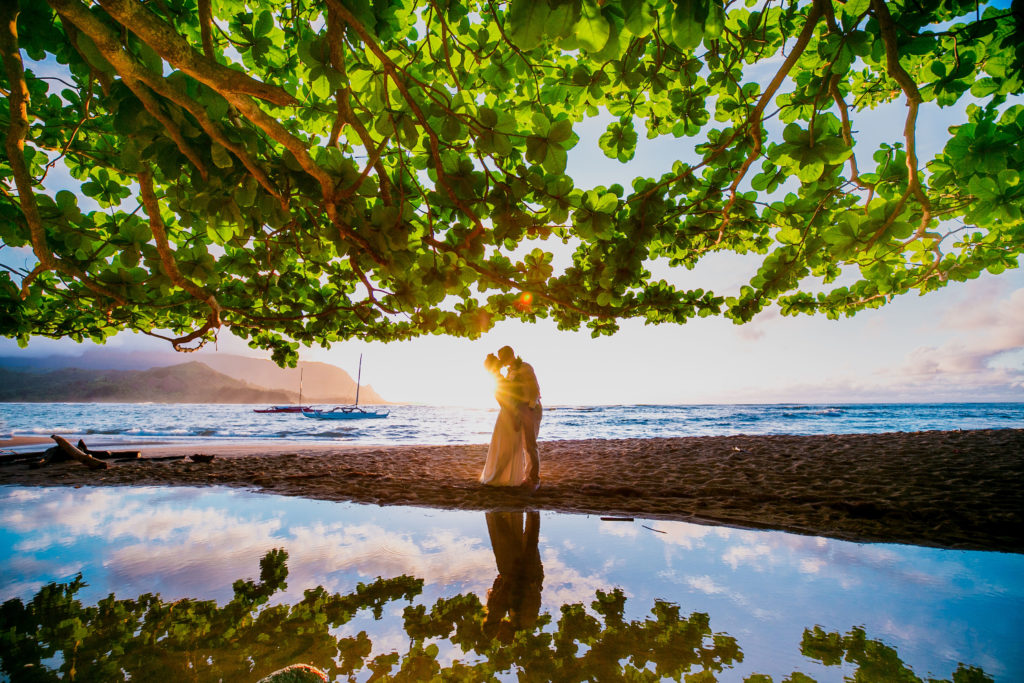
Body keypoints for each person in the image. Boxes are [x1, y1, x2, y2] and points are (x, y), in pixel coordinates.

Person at [479, 353, 529, 486]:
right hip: (509, 415)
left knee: (507, 447)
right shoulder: (499, 380)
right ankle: (499, 476)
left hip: (507, 414)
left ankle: (499, 475)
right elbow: (505, 402)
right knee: (509, 448)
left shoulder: (499, 379)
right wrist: (514, 417)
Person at [499, 346, 542, 489]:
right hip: (519, 409)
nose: (502, 361)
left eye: (503, 357)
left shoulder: (525, 367)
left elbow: (535, 388)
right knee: (524, 444)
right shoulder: (510, 372)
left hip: (531, 408)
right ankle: (527, 475)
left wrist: (530, 407)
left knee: (530, 444)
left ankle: (534, 479)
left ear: (510, 355)